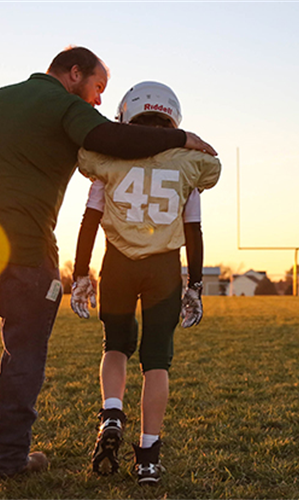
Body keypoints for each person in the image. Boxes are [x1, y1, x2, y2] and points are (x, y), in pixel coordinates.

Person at [0, 47, 218, 498]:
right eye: (96, 88)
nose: (95, 101)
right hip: (24, 245)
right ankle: (10, 458)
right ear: (74, 74)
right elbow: (113, 140)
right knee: (24, 350)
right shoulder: (66, 105)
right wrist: (180, 138)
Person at [68, 81, 220, 486]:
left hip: (117, 263)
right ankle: (148, 458)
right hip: (164, 270)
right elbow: (193, 230)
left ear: (126, 115)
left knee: (115, 345)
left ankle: (113, 412)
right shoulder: (190, 162)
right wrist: (195, 286)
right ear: (173, 116)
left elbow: (89, 221)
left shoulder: (108, 159)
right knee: (157, 361)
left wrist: (80, 273)